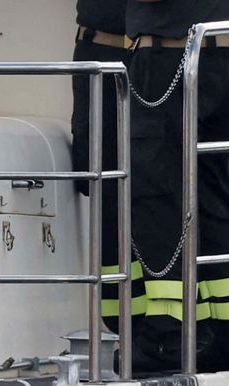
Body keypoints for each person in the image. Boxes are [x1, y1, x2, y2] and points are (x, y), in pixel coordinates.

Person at [124, 0, 229, 373]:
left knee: (156, 198)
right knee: (212, 201)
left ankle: (168, 337)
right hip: (217, 56)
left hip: (169, 58)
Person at [70, 0, 131, 340]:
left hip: (154, 56)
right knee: (99, 181)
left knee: (152, 188)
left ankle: (152, 328)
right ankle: (116, 318)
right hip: (96, 54)